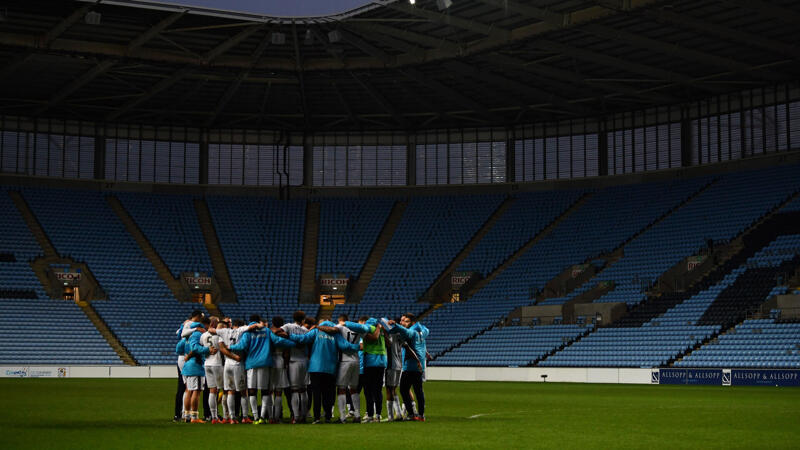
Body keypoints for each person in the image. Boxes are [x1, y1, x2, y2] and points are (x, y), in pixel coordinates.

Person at [285, 319, 359, 424]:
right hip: (330, 367)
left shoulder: (316, 331)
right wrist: (357, 346)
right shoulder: (335, 334)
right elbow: (344, 346)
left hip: (316, 367)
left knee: (316, 393)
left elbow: (303, 339)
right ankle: (328, 416)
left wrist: (289, 335)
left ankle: (317, 418)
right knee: (328, 393)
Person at [228, 314, 295, 425]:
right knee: (265, 391)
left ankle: (255, 416)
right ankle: (263, 417)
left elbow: (241, 346)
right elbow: (278, 341)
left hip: (251, 364)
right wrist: (293, 343)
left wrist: (229, 347)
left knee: (252, 391)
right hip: (265, 363)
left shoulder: (247, 332)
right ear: (259, 321)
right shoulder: (267, 331)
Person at [388, 313, 429, 421]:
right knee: (418, 390)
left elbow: (406, 332)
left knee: (403, 389)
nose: (402, 322)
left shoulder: (412, 333)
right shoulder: (423, 332)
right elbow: (426, 329)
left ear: (412, 323)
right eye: (401, 320)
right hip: (420, 366)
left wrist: (396, 325)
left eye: (405, 321)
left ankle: (412, 414)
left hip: (411, 366)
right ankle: (421, 415)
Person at [217, 319, 255, 423]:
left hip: (227, 364)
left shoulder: (223, 333)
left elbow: (222, 349)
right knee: (243, 392)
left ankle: (232, 418)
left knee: (230, 391)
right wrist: (236, 357)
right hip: (238, 365)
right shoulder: (242, 333)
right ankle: (245, 417)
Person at [335, 314, 371, 423]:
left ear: (341, 320)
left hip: (345, 361)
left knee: (341, 389)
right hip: (356, 361)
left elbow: (333, 330)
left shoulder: (340, 327)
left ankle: (342, 417)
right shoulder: (358, 330)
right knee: (354, 389)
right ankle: (357, 415)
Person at [182, 317, 217, 423]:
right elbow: (195, 347)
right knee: (196, 392)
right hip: (195, 366)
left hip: (189, 365)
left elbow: (179, 348)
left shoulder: (188, 336)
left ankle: (187, 415)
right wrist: (207, 349)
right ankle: (194, 417)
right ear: (205, 325)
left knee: (189, 391)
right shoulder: (198, 334)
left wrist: (187, 355)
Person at [281, 310, 310, 423]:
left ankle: (296, 417)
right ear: (303, 319)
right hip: (304, 361)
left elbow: (278, 332)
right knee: (303, 390)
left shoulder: (288, 326)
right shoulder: (306, 330)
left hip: (293, 361)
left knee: (294, 390)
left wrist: (288, 338)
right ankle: (304, 415)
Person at [359, 317, 386, 423]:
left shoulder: (366, 333)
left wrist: (379, 329)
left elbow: (373, 338)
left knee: (368, 390)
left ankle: (371, 415)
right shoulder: (382, 334)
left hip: (370, 362)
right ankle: (377, 415)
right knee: (377, 390)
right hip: (381, 362)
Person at [201, 317, 224, 423]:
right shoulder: (218, 335)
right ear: (214, 323)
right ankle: (226, 415)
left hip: (207, 364)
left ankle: (213, 417)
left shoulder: (203, 335)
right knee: (222, 390)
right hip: (217, 364)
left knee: (211, 390)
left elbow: (202, 347)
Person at [384, 316, 404, 421]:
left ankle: (390, 416)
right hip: (399, 364)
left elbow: (388, 344)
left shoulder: (391, 334)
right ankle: (399, 413)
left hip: (391, 365)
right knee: (394, 389)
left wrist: (384, 333)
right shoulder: (400, 334)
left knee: (388, 389)